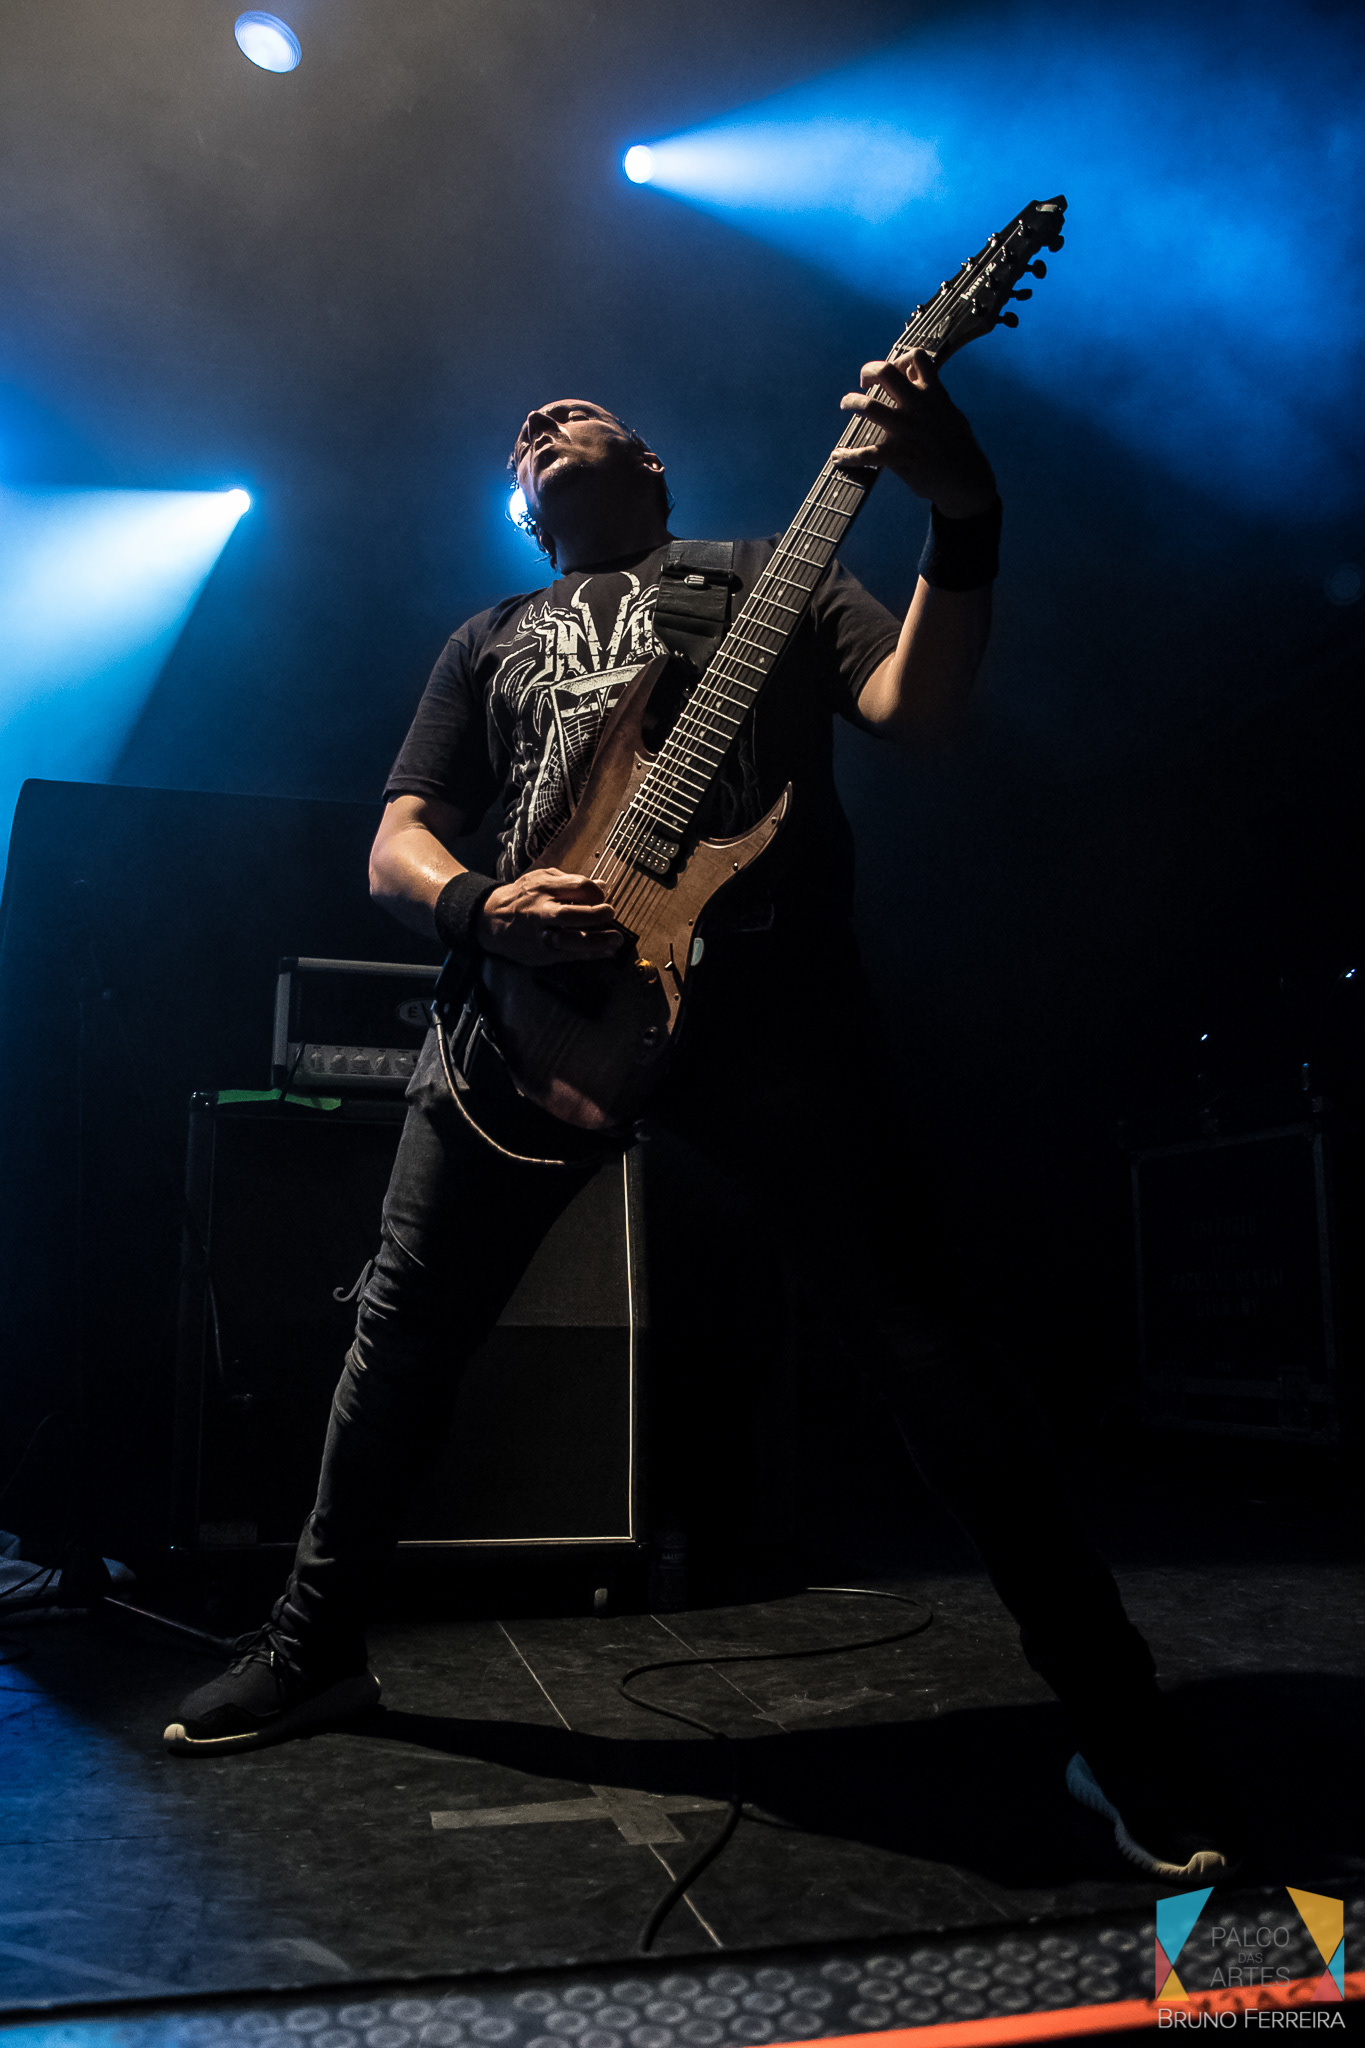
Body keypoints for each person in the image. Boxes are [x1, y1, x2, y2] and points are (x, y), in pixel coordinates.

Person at [163, 356, 1232, 1884]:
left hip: (767, 1015)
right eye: (522, 439)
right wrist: (477, 907)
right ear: (523, 517)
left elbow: (915, 707)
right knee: (402, 1335)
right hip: (521, 1017)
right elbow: (398, 839)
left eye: (573, 413)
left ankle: (1121, 1722)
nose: (540, 420)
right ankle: (312, 1646)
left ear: (651, 466)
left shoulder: (762, 571)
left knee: (926, 1352)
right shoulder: (490, 637)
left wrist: (964, 515)